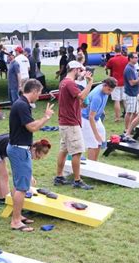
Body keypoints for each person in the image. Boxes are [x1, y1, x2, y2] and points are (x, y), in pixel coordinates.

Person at [7, 79, 54, 232]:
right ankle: (15, 221)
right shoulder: (22, 105)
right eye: (39, 93)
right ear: (33, 91)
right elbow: (32, 127)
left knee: (20, 185)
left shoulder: (22, 104)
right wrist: (46, 117)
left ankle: (18, 215)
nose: (39, 96)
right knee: (22, 187)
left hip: (20, 148)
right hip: (19, 150)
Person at [54, 61, 94, 190]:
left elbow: (74, 100)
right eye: (80, 70)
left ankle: (59, 176)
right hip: (71, 123)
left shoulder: (64, 82)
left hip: (64, 121)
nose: (80, 73)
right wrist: (90, 83)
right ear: (75, 69)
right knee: (77, 152)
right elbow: (82, 96)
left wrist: (80, 105)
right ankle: (77, 180)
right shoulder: (70, 83)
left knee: (64, 150)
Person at [0, 133, 52, 206]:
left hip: (2, 145)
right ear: (34, 149)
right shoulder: (21, 150)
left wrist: (30, 177)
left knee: (0, 174)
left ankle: (2, 199)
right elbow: (18, 169)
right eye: (37, 156)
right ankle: (7, 202)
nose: (36, 159)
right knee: (4, 176)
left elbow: (25, 167)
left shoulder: (27, 148)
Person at [81, 77, 117, 161]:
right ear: (104, 85)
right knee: (93, 142)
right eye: (109, 90)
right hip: (86, 119)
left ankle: (94, 163)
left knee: (100, 139)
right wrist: (96, 135)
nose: (109, 92)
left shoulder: (104, 89)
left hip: (96, 118)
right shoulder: (97, 96)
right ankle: (91, 165)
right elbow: (91, 117)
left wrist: (101, 111)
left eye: (111, 90)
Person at [105, 44, 128, 122]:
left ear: (114, 50)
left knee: (117, 100)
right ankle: (128, 116)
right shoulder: (126, 59)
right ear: (121, 50)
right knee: (125, 100)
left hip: (115, 82)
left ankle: (117, 117)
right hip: (125, 81)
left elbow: (106, 67)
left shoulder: (112, 60)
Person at [123, 53, 139, 132]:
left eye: (137, 57)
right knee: (129, 112)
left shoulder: (133, 67)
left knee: (135, 112)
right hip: (130, 93)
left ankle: (131, 127)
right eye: (135, 57)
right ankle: (127, 129)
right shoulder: (129, 69)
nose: (137, 59)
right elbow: (131, 83)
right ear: (130, 58)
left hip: (135, 93)